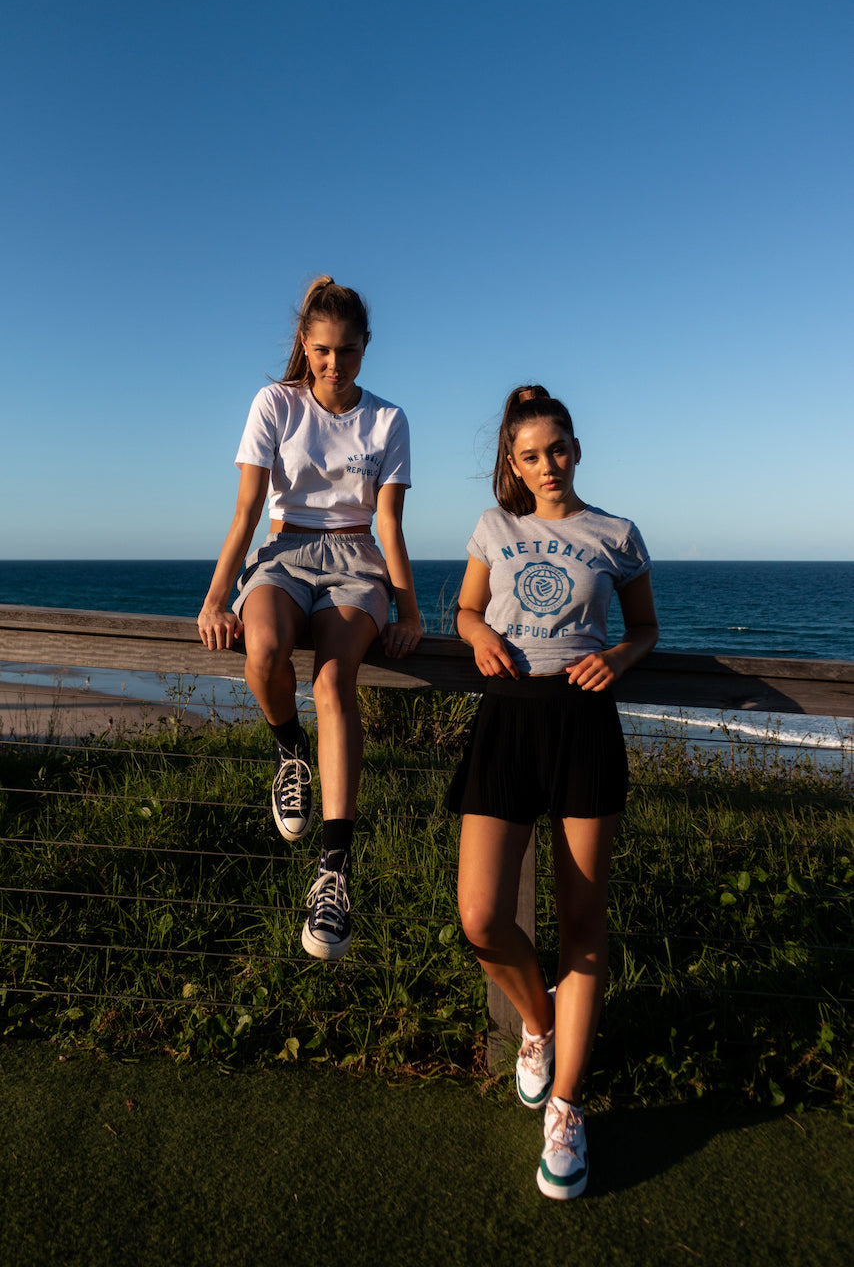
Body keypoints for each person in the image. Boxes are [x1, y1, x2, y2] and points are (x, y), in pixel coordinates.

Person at [447, 385, 658, 1200]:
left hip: (583, 722)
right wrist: (475, 633)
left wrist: (621, 660)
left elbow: (644, 628)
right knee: (480, 917)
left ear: (577, 447)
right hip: (506, 719)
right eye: (531, 455)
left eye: (559, 449)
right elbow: (466, 607)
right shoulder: (494, 529)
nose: (549, 467)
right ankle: (537, 1024)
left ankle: (567, 1108)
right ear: (513, 463)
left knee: (581, 921)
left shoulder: (617, 533)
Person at [198, 275, 422, 961]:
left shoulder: (388, 420)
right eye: (323, 350)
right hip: (286, 550)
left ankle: (333, 870)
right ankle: (290, 751)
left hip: (356, 560)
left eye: (348, 351)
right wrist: (214, 596)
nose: (334, 364)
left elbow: (387, 521)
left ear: (366, 347)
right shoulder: (275, 403)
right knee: (262, 650)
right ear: (306, 344)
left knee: (332, 682)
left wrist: (407, 605)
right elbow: (245, 512)